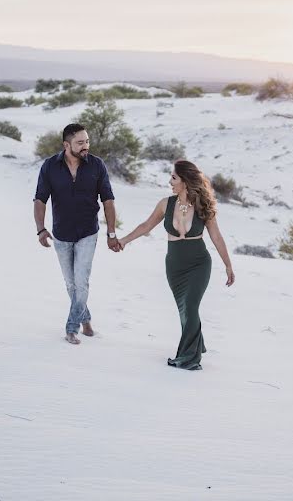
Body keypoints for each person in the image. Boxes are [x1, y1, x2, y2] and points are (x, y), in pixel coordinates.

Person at [119, 160, 234, 370]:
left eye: (174, 177)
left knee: (190, 306)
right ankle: (196, 343)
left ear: (185, 181)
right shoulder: (166, 204)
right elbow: (146, 226)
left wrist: (228, 265)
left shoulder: (202, 205)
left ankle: (189, 358)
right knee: (184, 310)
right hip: (175, 266)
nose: (170, 181)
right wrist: (125, 240)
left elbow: (216, 236)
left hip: (199, 263)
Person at [34, 123, 122, 345]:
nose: (86, 146)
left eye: (87, 141)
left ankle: (71, 328)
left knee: (81, 282)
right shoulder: (49, 167)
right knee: (71, 284)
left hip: (87, 233)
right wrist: (40, 229)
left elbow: (108, 201)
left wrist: (112, 233)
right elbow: (40, 199)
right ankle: (86, 320)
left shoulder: (97, 166)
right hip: (61, 234)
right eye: (80, 142)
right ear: (66, 145)